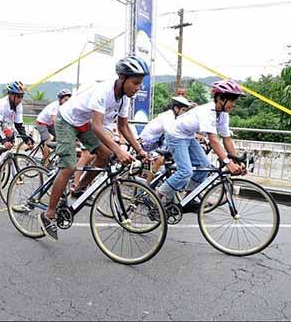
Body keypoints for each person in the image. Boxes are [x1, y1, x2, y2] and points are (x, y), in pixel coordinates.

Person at [39, 56, 150, 241]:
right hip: (67, 121)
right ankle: (48, 214)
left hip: (84, 124)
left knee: (105, 156)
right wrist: (119, 150)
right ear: (122, 78)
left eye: (140, 83)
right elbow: (98, 127)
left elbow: (123, 126)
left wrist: (139, 150)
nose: (138, 87)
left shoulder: (124, 98)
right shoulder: (103, 90)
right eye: (135, 82)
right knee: (69, 167)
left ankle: (79, 188)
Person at [157, 79, 246, 208]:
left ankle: (189, 198)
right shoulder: (207, 111)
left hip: (188, 136)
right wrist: (228, 163)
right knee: (185, 171)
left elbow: (226, 139)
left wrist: (237, 162)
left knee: (204, 165)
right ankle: (156, 196)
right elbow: (214, 141)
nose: (234, 105)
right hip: (175, 135)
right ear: (220, 99)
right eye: (232, 101)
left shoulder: (223, 114)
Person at [139, 96, 193, 177]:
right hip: (146, 143)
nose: (184, 113)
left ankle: (157, 177)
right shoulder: (168, 116)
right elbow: (171, 132)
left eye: (186, 111)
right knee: (160, 160)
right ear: (176, 108)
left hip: (156, 142)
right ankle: (147, 185)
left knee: (169, 159)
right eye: (183, 110)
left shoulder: (175, 117)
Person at [35, 88, 71, 162]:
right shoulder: (55, 106)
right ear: (60, 100)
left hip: (49, 124)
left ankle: (53, 151)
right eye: (65, 100)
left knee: (61, 137)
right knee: (47, 141)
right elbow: (54, 120)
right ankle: (45, 162)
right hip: (41, 122)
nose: (67, 102)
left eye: (68, 100)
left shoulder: (65, 107)